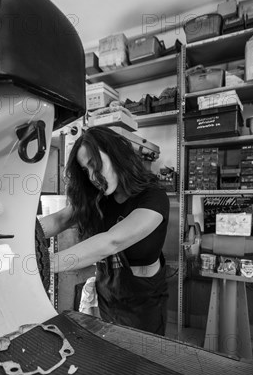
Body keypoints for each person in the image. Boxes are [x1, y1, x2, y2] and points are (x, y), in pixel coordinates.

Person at [40, 125, 170, 335]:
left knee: (141, 361)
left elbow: (112, 241)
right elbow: (61, 219)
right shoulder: (98, 197)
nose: (92, 176)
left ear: (116, 155)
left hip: (144, 301)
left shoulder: (154, 198)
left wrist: (43, 263)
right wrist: (23, 234)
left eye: (95, 165)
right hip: (107, 293)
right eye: (85, 170)